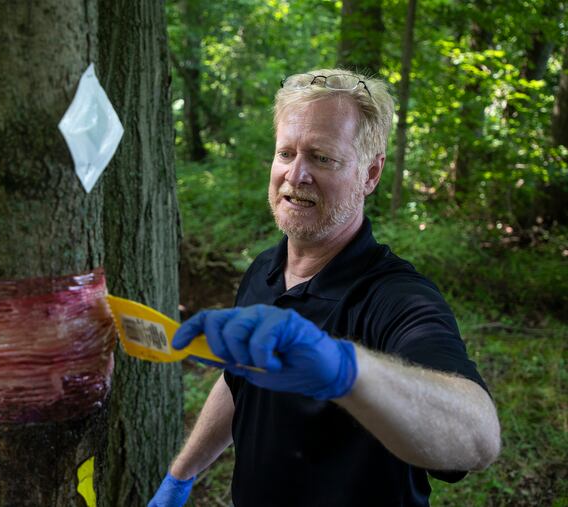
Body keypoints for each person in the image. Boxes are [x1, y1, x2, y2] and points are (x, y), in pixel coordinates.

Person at [148, 69, 501, 507]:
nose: (296, 175)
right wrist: (181, 476)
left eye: (322, 157)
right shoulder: (263, 269)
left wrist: (345, 370)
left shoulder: (395, 298)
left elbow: (478, 438)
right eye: (286, 153)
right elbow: (239, 381)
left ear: (371, 173)